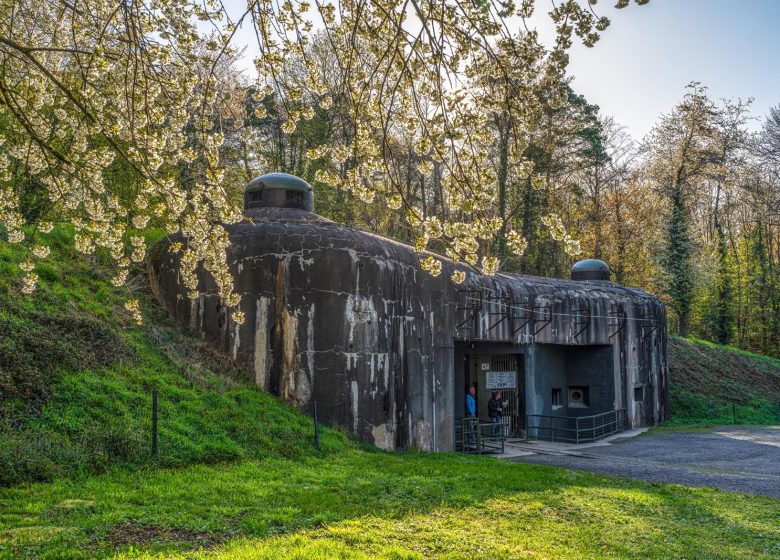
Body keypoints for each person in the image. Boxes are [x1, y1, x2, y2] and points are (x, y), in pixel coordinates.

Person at [465, 383, 477, 448]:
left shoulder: (472, 397)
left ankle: (473, 439)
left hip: (473, 414)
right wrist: (471, 412)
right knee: (470, 427)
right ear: (470, 390)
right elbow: (469, 405)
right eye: (473, 389)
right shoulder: (468, 396)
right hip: (470, 414)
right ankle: (473, 439)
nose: (474, 391)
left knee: (473, 427)